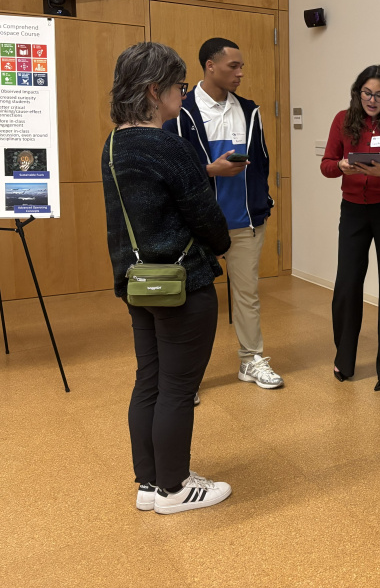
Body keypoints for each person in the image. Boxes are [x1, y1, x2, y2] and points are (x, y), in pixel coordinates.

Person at [102, 42, 233, 514]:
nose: (183, 93)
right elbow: (209, 221)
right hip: (183, 285)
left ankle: (150, 484)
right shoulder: (169, 147)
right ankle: (175, 488)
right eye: (179, 86)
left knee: (150, 383)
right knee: (178, 389)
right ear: (155, 91)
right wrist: (222, 244)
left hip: (138, 284)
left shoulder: (113, 145)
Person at [165, 37, 281, 394]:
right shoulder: (179, 112)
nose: (241, 73)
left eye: (242, 66)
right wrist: (209, 171)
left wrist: (263, 203)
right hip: (197, 224)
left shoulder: (250, 110)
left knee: (247, 295)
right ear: (210, 66)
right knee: (189, 302)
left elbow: (260, 162)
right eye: (234, 66)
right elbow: (170, 169)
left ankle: (251, 360)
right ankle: (185, 378)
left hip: (244, 222)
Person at [320, 65, 380, 390]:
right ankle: (343, 360)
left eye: (378, 94)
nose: (372, 100)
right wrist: (343, 166)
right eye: (366, 93)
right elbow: (326, 165)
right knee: (347, 285)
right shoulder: (342, 120)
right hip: (353, 211)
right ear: (357, 92)